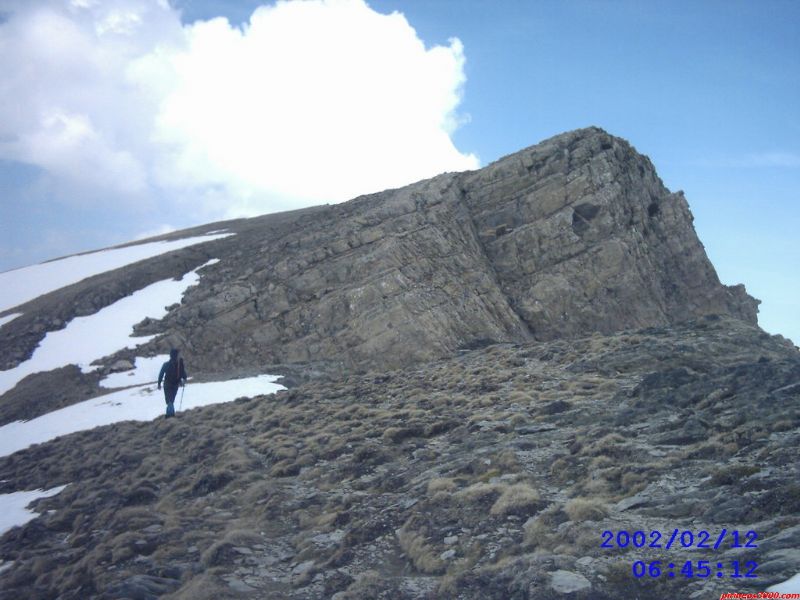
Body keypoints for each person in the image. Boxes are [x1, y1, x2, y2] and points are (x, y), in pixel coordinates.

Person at [158, 348, 187, 418]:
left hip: (167, 384)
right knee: (171, 400)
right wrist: (184, 380)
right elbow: (184, 374)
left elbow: (161, 374)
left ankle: (170, 415)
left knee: (169, 400)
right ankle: (170, 415)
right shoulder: (179, 365)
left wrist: (159, 383)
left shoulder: (166, 364)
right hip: (175, 384)